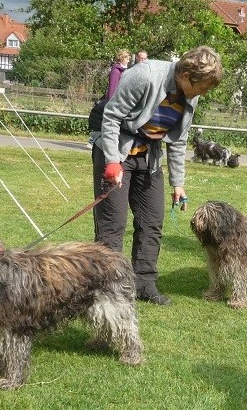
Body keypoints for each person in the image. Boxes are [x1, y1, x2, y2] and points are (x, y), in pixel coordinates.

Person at [92, 46, 223, 305]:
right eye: (204, 87)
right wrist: (112, 162)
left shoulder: (190, 93)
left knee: (152, 221)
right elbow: (111, 117)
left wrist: (178, 184)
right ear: (186, 75)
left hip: (149, 156)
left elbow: (178, 140)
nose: (204, 93)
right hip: (116, 150)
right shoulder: (145, 75)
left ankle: (144, 283)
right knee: (113, 226)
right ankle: (109, 288)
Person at [88, 49, 131, 148]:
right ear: (122, 58)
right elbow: (113, 87)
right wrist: (112, 102)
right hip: (113, 101)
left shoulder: (124, 70)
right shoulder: (116, 71)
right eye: (127, 58)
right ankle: (93, 140)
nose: (128, 60)